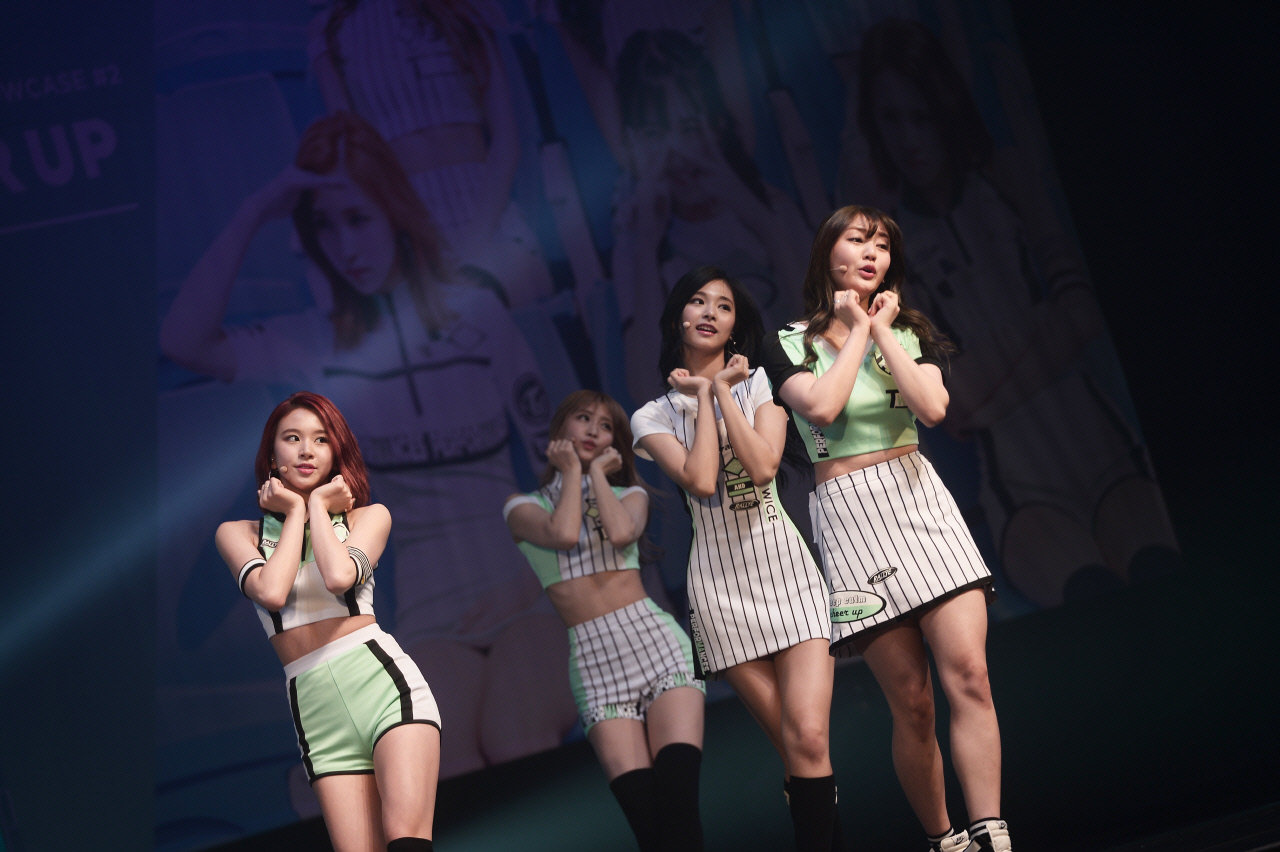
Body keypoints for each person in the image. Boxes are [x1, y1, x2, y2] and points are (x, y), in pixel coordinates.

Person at [160, 111, 576, 778]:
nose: (344, 244)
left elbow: (559, 473)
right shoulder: (315, 340)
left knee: (517, 738)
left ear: (393, 212)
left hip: (527, 594)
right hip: (433, 617)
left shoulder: (479, 312)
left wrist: (559, 582)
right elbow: (183, 340)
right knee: (446, 765)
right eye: (324, 226)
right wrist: (258, 209)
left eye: (357, 218)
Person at [850, 18, 1179, 606]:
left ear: (945, 108)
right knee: (1092, 600)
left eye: (920, 116)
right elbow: (954, 403)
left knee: (1162, 579)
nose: (908, 139)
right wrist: (1049, 332)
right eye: (891, 120)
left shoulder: (1006, 182)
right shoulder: (889, 248)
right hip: (1021, 494)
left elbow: (1085, 313)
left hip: (1112, 454)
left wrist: (996, 371)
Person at [760, 206, 1009, 852]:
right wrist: (856, 332)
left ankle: (991, 834)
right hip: (849, 517)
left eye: (883, 245)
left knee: (970, 675)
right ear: (829, 252)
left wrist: (883, 331)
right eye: (858, 239)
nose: (873, 253)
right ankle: (945, 840)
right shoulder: (787, 342)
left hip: (920, 502)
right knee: (914, 702)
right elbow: (822, 406)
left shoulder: (910, 331)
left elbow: (933, 408)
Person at [631, 266, 839, 851]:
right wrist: (701, 399)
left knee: (810, 738)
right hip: (721, 590)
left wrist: (721, 391)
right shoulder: (652, 416)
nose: (709, 312)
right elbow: (701, 480)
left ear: (734, 327)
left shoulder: (761, 385)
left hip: (789, 572)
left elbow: (765, 466)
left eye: (722, 306)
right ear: (678, 317)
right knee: (797, 751)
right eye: (697, 302)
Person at [214, 391, 440, 852]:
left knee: (406, 840)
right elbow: (271, 592)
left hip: (384, 688)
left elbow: (338, 577)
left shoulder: (368, 517)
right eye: (292, 438)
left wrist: (316, 505)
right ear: (271, 456)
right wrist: (296, 511)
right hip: (316, 712)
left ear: (336, 452)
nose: (306, 450)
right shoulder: (239, 534)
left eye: (320, 439)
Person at [504, 390, 705, 851]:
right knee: (649, 826)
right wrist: (574, 471)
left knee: (679, 804)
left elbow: (619, 532)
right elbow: (562, 534)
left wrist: (595, 473)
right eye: (583, 419)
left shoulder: (630, 494)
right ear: (560, 427)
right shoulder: (522, 506)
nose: (594, 431)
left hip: (658, 647)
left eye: (606, 425)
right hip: (595, 667)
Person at [611, 29, 812, 405]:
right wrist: (645, 248)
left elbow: (822, 341)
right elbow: (644, 390)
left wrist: (760, 220)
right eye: (655, 134)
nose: (676, 152)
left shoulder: (773, 208)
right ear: (633, 144)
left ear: (718, 127)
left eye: (688, 129)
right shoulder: (636, 247)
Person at [310, 0, 554, 309]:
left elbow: (506, 137)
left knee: (529, 324)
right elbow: (354, 151)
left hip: (488, 199)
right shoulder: (330, 27)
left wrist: (480, 234)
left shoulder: (460, 7)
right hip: (411, 217)